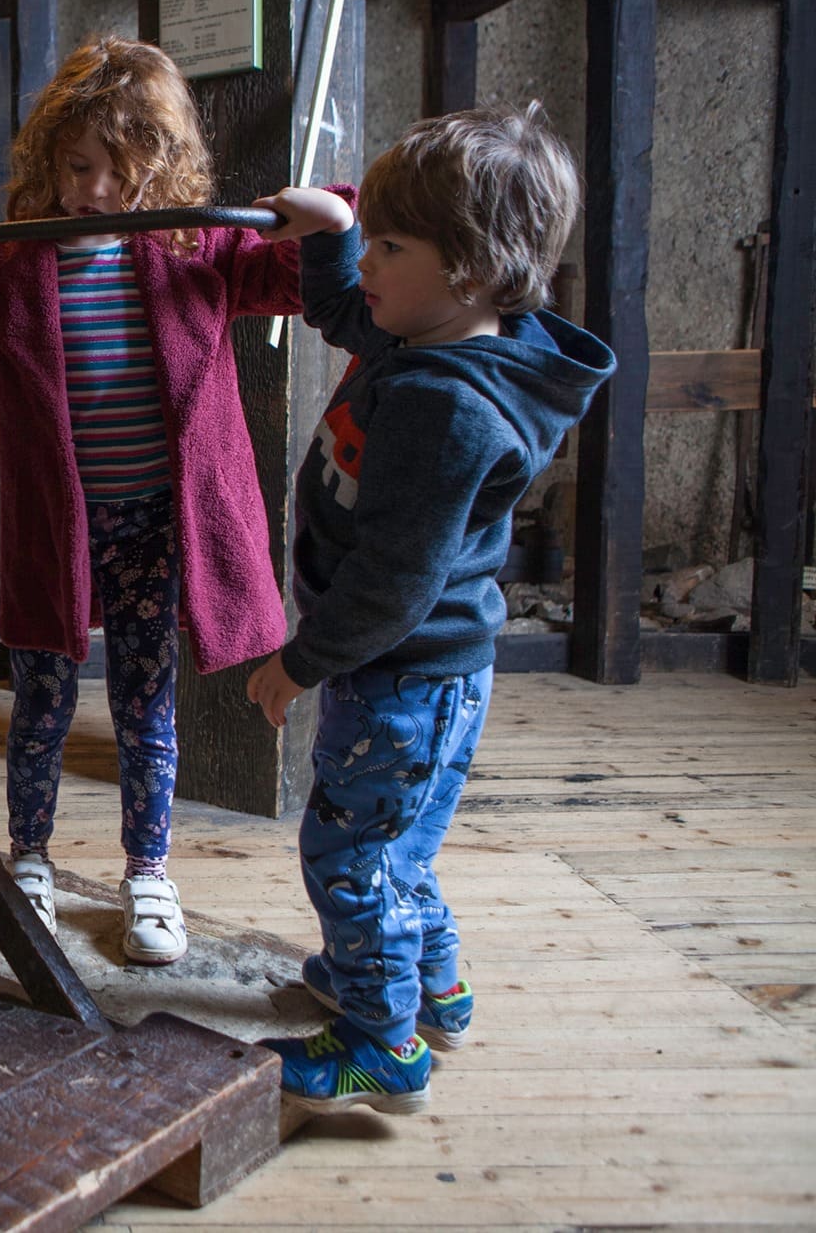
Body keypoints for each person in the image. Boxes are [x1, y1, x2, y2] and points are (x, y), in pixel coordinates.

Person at [0, 35, 345, 964]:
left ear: (159, 172)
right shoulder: (8, 263)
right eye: (78, 166)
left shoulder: (193, 245)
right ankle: (27, 857)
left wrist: (324, 219)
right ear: (48, 155)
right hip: (53, 527)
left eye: (124, 174)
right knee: (37, 694)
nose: (97, 193)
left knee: (144, 703)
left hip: (157, 520)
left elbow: (303, 274)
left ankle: (148, 870)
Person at [244, 104, 615, 1113]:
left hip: (396, 671)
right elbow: (341, 314)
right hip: (414, 669)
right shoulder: (431, 330)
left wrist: (298, 661)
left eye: (388, 244)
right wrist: (328, 233)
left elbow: (393, 583)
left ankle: (380, 1041)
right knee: (397, 844)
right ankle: (431, 987)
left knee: (350, 854)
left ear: (469, 272)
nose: (370, 260)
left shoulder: (447, 405)